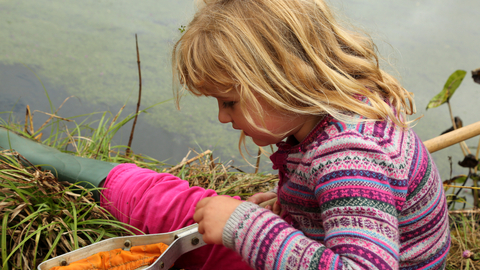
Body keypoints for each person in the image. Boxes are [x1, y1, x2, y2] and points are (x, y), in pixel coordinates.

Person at [0, 0, 450, 269]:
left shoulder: (349, 156)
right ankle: (74, 169)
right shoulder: (335, 115)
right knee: (191, 215)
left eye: (230, 102)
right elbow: (354, 206)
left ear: (280, 80)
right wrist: (292, 206)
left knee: (211, 226)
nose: (221, 118)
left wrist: (245, 226)